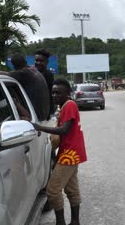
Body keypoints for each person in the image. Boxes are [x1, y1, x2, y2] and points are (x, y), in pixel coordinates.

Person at [32, 79, 87, 225]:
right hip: (69, 153)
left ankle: (60, 222)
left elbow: (64, 130)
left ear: (68, 93)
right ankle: (75, 222)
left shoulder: (69, 105)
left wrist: (39, 127)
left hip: (70, 155)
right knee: (71, 189)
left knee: (52, 190)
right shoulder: (64, 106)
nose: (55, 95)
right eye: (53, 93)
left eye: (58, 93)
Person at [5, 53, 51, 121]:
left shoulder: (24, 73)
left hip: (37, 118)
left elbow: (2, 75)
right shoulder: (34, 70)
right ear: (26, 62)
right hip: (44, 115)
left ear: (14, 66)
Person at [35, 49, 55, 116]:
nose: (38, 63)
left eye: (41, 61)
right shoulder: (33, 73)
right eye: (36, 60)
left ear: (47, 62)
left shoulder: (48, 75)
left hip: (46, 113)